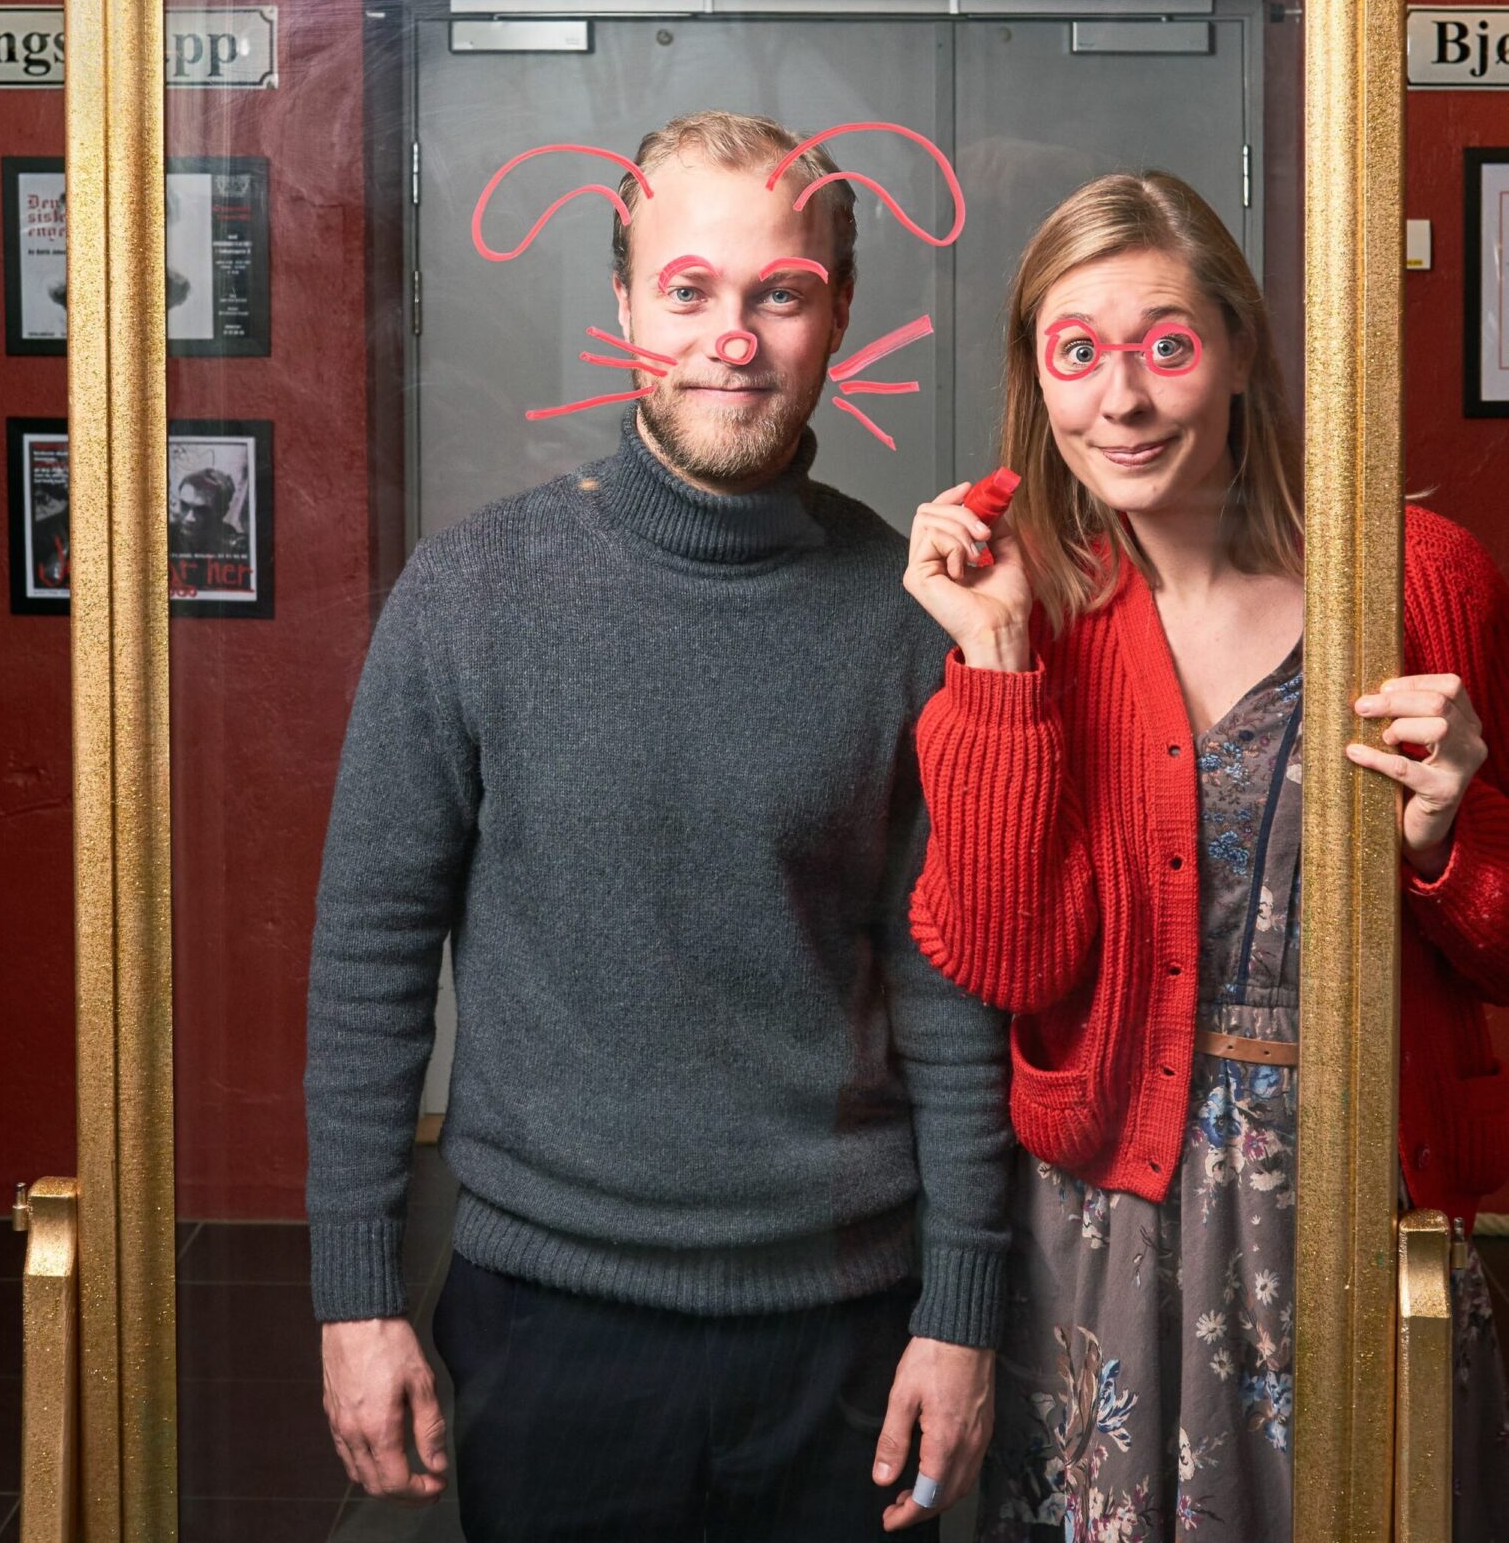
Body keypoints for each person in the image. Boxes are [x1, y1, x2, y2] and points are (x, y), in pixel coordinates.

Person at [306, 109, 1013, 1541]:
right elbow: (369, 964)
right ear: (623, 304)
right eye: (687, 290)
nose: (732, 339)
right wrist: (354, 1296)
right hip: (550, 1320)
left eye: (779, 294)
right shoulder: (470, 597)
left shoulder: (906, 616)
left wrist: (962, 1305)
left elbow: (947, 986)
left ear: (838, 315)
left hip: (847, 1325)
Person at [902, 171, 1509, 1541]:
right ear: (1036, 385)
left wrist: (1441, 843)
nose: (1117, 401)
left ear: (1237, 352)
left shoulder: (1419, 580)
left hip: (1364, 1196)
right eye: (1076, 355)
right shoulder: (1025, 618)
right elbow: (1010, 961)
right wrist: (993, 664)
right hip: (1109, 1225)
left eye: (1164, 346)